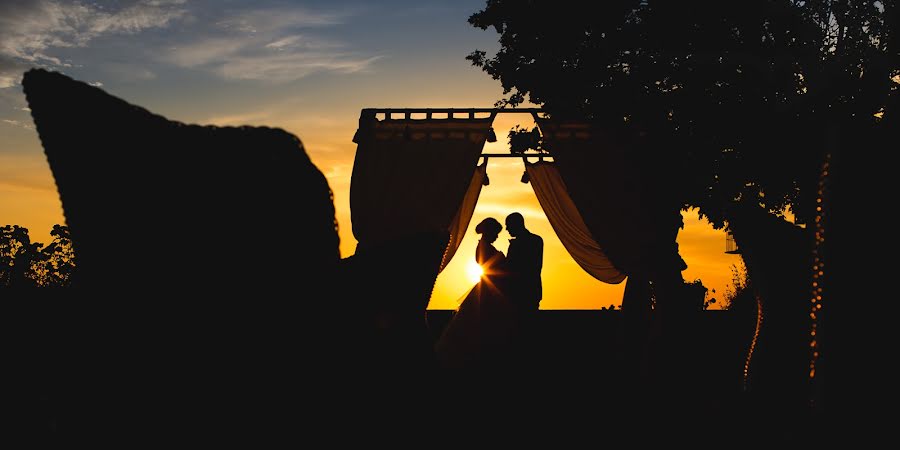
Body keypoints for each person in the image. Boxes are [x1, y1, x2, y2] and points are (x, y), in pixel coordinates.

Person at [434, 217, 516, 369]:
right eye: (496, 233)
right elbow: (494, 268)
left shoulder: (483, 246)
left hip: (488, 287)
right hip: (489, 289)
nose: (497, 236)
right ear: (490, 232)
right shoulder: (485, 247)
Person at [505, 212, 544, 312]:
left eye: (508, 225)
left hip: (519, 292)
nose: (506, 229)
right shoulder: (537, 240)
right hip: (532, 291)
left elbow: (510, 267)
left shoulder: (517, 244)